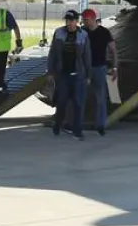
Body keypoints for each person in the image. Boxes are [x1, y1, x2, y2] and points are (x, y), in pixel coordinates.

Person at [48, 8, 91, 138]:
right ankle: (58, 123)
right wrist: (50, 71)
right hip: (63, 75)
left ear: (77, 21)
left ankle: (77, 130)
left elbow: (87, 56)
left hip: (78, 75)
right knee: (62, 102)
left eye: (71, 20)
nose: (69, 23)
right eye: (67, 20)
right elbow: (53, 54)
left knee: (78, 102)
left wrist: (88, 75)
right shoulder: (59, 33)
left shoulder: (83, 35)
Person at [82, 8, 117, 135]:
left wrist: (114, 67)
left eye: (86, 20)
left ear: (92, 19)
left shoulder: (104, 32)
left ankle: (101, 124)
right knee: (81, 95)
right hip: (85, 68)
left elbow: (113, 50)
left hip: (99, 68)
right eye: (83, 20)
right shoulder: (83, 32)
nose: (84, 22)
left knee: (100, 97)